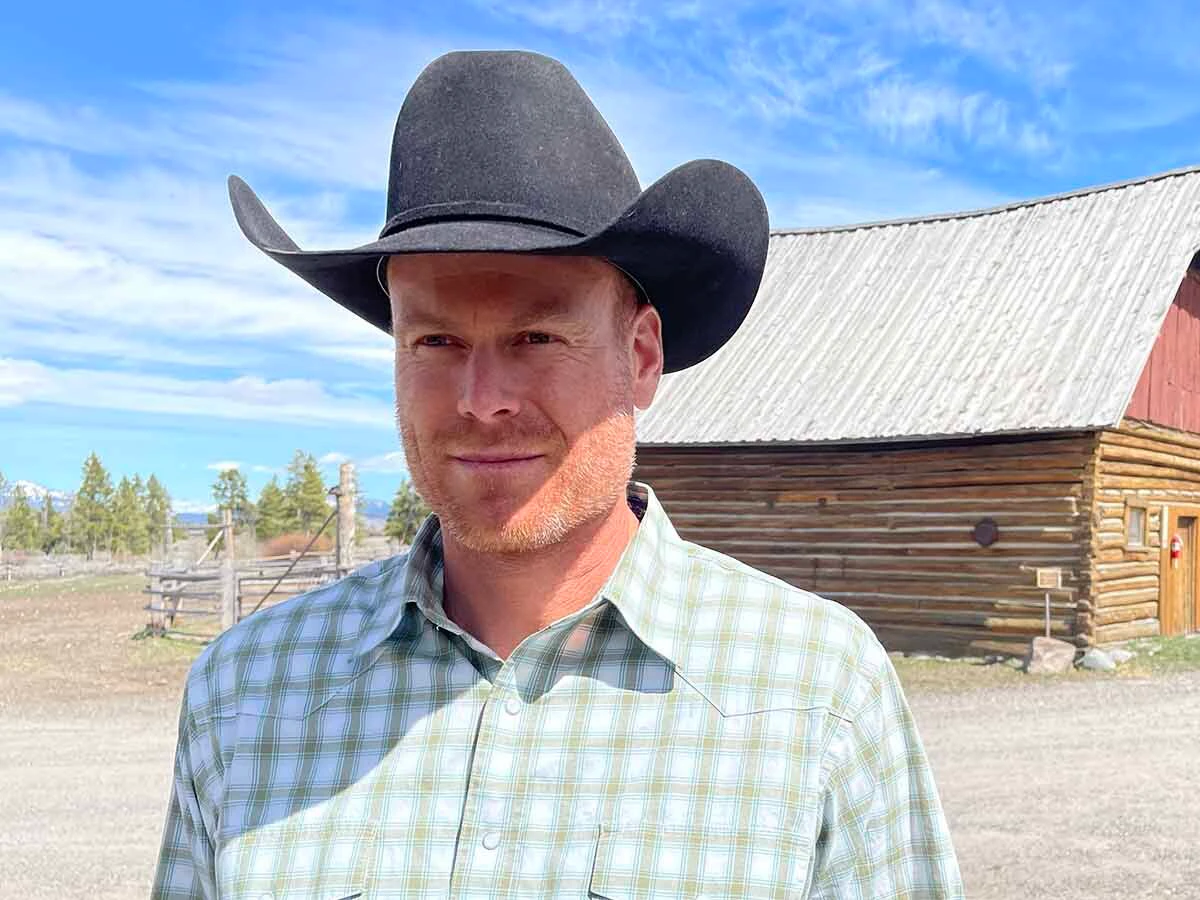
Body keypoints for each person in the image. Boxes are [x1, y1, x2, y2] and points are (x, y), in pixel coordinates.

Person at [151, 50, 962, 898]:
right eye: (435, 341)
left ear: (640, 356)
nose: (483, 399)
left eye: (536, 337)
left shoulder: (816, 689)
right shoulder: (245, 693)